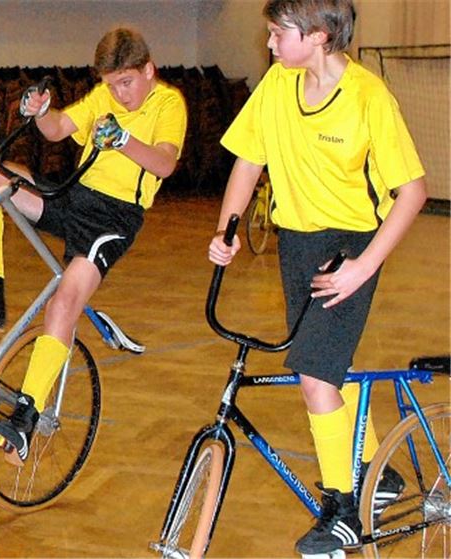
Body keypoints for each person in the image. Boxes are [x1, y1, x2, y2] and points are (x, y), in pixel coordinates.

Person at [207, 0, 427, 554]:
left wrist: (362, 269)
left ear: (320, 35)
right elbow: (247, 162)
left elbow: (412, 193)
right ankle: (379, 469)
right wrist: (228, 229)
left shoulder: (368, 96)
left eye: (279, 33)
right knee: (328, 366)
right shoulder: (279, 85)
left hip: (350, 246)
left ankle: (343, 507)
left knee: (313, 376)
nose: (270, 44)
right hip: (297, 245)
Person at [0, 28, 187, 465]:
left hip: (112, 219)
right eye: (111, 85)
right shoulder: (103, 96)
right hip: (73, 197)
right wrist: (40, 111)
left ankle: (25, 418)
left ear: (149, 71)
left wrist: (124, 141)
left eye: (126, 83)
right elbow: (56, 130)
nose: (119, 94)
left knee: (64, 302)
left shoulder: (168, 103)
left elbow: (165, 163)